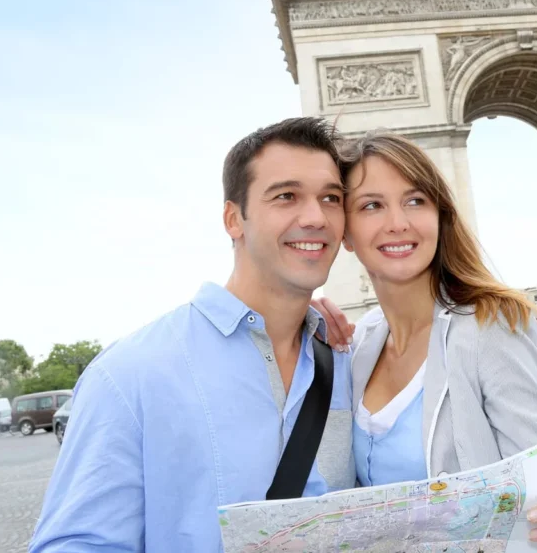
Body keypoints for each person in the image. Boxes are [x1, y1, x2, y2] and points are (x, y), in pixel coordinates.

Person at [31, 117, 357, 552]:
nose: (315, 217)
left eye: (330, 198)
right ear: (233, 218)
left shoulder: (345, 360)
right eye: (286, 196)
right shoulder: (129, 374)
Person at [327, 131, 537, 552]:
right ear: (345, 233)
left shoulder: (490, 325)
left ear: (440, 216)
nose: (398, 222)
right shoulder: (361, 341)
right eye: (371, 205)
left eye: (415, 200)